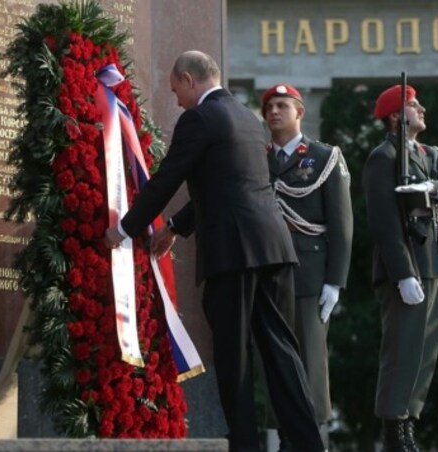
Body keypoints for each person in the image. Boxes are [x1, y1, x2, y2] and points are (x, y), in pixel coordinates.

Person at [105, 50, 324, 452]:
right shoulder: (248, 119)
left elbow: (167, 179)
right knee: (281, 351)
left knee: (233, 353)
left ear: (189, 79)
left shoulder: (199, 119)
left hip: (232, 252)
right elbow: (227, 184)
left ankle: (244, 444)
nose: (176, 101)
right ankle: (310, 443)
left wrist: (124, 228)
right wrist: (174, 227)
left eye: (176, 91)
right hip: (274, 247)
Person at [364, 84, 438, 451]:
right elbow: (383, 222)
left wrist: (432, 188)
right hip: (406, 266)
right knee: (402, 350)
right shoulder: (385, 157)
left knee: (424, 354)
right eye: (413, 105)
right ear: (396, 117)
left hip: (434, 262)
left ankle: (409, 421)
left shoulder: (431, 155)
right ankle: (394, 427)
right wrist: (403, 273)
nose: (421, 109)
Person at [260, 83, 353, 450]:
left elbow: (342, 223)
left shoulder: (323, 156)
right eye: (268, 106)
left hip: (310, 274)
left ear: (300, 112)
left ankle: (310, 437)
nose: (273, 112)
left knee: (311, 361)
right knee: (274, 358)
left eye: (282, 105)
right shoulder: (258, 158)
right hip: (269, 273)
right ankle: (284, 434)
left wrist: (335, 281)